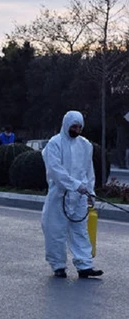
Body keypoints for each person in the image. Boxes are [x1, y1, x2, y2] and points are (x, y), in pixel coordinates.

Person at [41, 110, 103, 279]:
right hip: (59, 195)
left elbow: (88, 171)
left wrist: (90, 192)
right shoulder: (54, 144)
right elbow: (55, 170)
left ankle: (85, 265)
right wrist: (74, 185)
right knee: (55, 230)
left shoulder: (85, 145)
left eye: (79, 127)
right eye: (74, 126)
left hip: (80, 196)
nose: (76, 130)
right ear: (66, 124)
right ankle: (58, 265)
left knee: (80, 230)